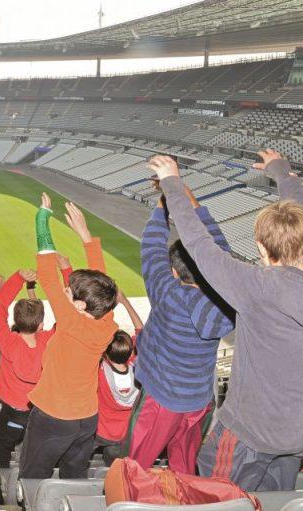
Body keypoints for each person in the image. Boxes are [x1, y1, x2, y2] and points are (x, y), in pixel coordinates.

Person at [148, 151, 303, 491]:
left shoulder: (255, 287)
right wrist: (282, 173)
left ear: (261, 250)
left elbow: (199, 245)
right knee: (275, 499)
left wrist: (172, 182)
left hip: (250, 433)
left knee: (220, 496)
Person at [126, 183, 235, 474]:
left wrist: (165, 200)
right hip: (198, 400)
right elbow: (221, 253)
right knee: (184, 464)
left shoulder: (166, 291)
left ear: (174, 272)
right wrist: (187, 195)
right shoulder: (224, 301)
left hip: (161, 399)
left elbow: (151, 247)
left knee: (136, 464)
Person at [19, 194, 119, 480]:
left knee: (32, 475)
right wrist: (85, 235)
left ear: (79, 305)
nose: (67, 287)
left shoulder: (71, 322)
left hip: (53, 417)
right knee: (74, 477)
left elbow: (47, 274)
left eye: (71, 290)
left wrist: (42, 218)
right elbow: (101, 282)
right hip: (87, 420)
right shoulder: (106, 319)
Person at [0, 270, 53, 470]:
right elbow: (71, 321)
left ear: (16, 323)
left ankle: (1, 494)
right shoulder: (49, 341)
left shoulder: (8, 343)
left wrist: (18, 278)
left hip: (13, 415)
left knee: (2, 452)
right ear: (41, 325)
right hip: (41, 413)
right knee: (36, 454)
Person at [95, 291, 143, 467]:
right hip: (126, 435)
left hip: (101, 433)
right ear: (131, 352)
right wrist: (125, 302)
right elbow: (141, 332)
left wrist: (106, 309)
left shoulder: (99, 371)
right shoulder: (139, 371)